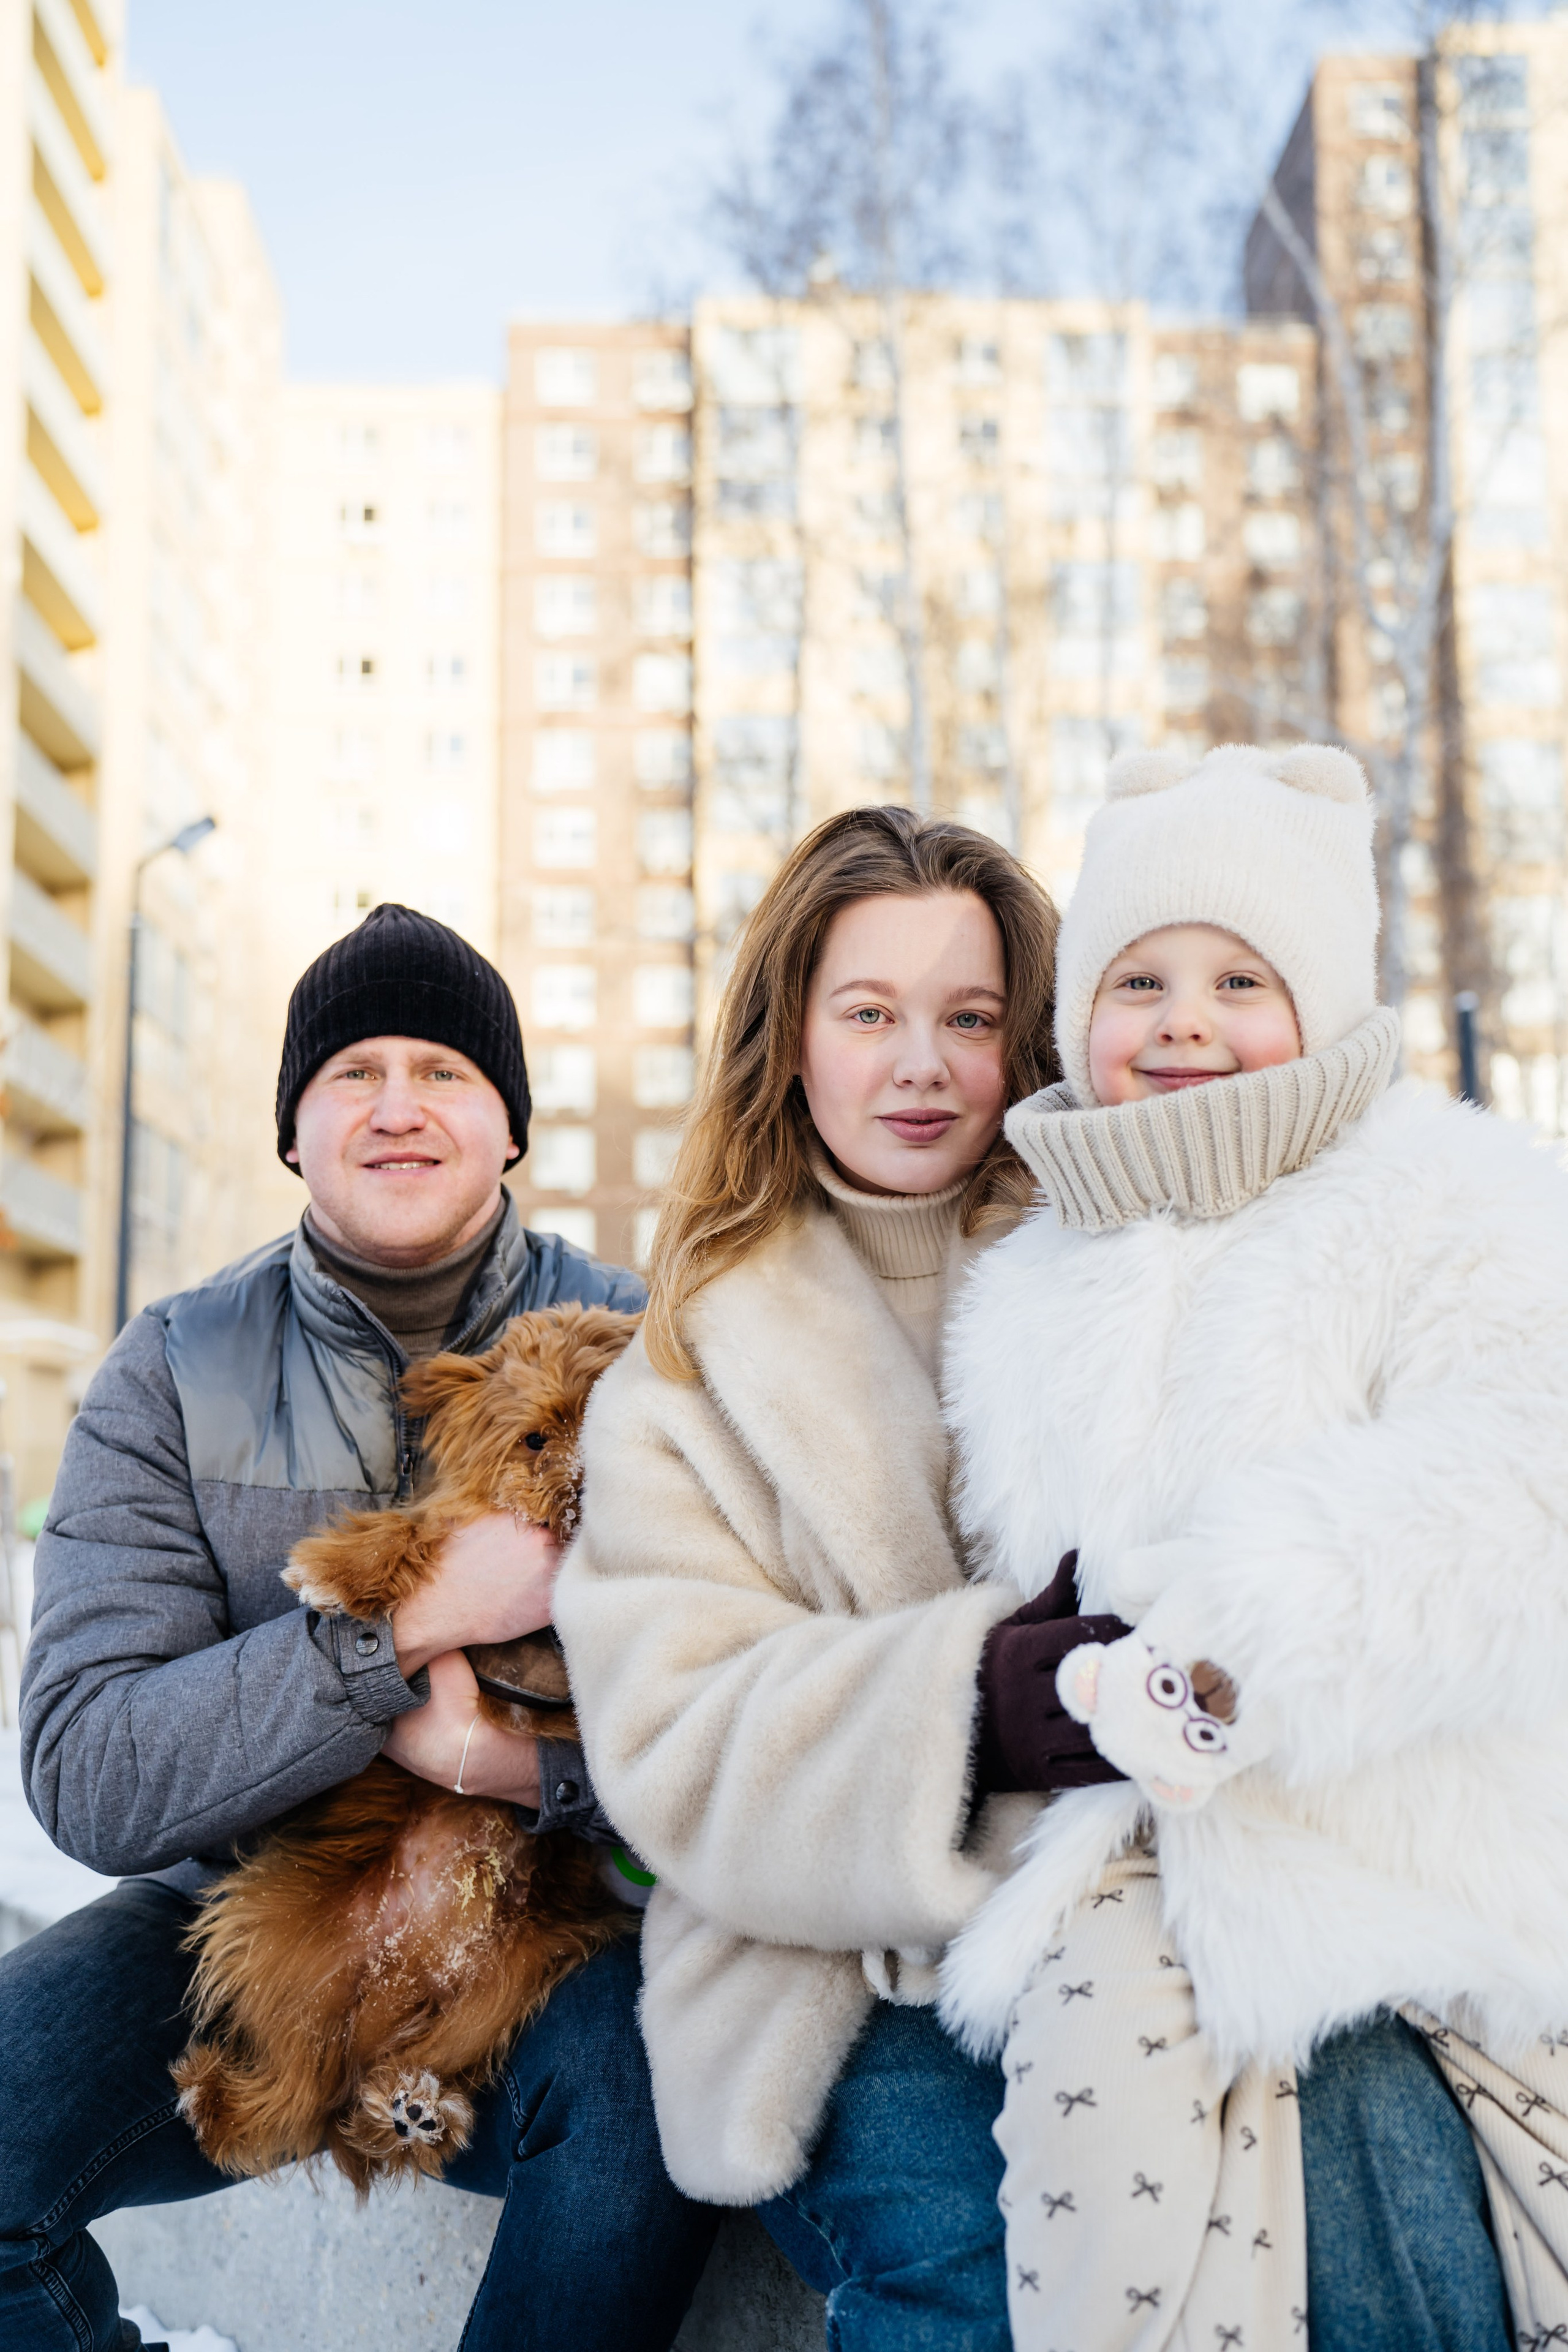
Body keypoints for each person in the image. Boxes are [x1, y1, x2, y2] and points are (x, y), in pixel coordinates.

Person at [556, 801, 1525, 2351]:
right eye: (867, 1015)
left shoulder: (1144, 1231)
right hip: (838, 1966)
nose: (921, 1064)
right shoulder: (684, 1375)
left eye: (971, 1017)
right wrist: (976, 1704)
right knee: (965, 2260)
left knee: (1385, 2199)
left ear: (1040, 1034)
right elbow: (674, 1750)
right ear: (788, 1040)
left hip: (1189, 1878)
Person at [2, 904, 717, 2352]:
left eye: (446, 1072)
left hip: (558, 1927)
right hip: (254, 1910)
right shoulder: (174, 1370)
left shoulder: (651, 1349)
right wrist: (392, 1639)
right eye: (354, 1073)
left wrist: (516, 1774)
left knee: (657, 2084)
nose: (398, 1105)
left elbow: (744, 1706)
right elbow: (91, 1769)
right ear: (294, 1130)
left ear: (509, 1124)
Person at [940, 742, 1568, 2351]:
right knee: (1097, 2149)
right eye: (1139, 979)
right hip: (1137, 1847)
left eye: (1241, 976)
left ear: (1328, 997)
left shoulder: (1455, 1193)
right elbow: (1021, 1586)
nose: (1189, 1022)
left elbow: (1519, 1473)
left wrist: (1237, 1635)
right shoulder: (1030, 1287)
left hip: (1423, 1822)